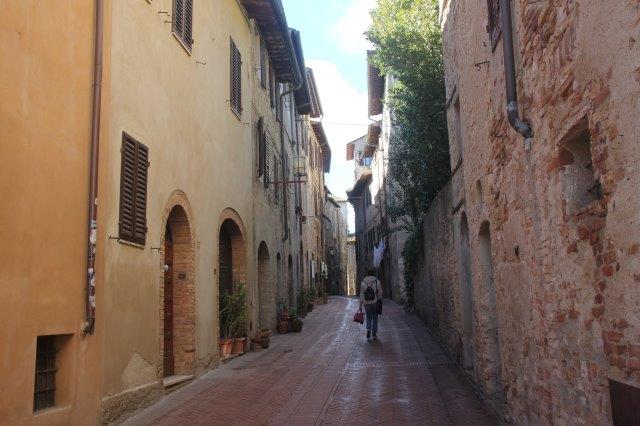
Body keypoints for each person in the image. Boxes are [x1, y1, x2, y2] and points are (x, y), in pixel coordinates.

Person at [359, 269, 382, 339]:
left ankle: (368, 329)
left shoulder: (363, 282)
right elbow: (380, 292)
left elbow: (361, 294)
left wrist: (360, 304)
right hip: (375, 302)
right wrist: (379, 299)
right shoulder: (376, 281)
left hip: (366, 302)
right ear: (373, 274)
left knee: (368, 317)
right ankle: (374, 333)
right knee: (375, 317)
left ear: (367, 274)